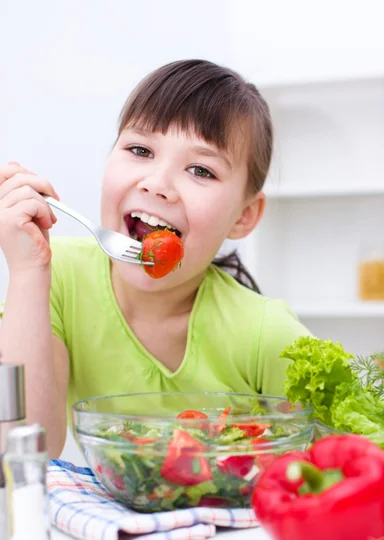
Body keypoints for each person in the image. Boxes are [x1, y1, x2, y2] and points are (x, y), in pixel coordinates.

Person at [0, 59, 311, 458]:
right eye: (140, 149)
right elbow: (25, 454)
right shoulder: (56, 277)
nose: (158, 184)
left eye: (200, 169)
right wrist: (26, 271)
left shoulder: (267, 334)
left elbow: (330, 475)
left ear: (244, 215)